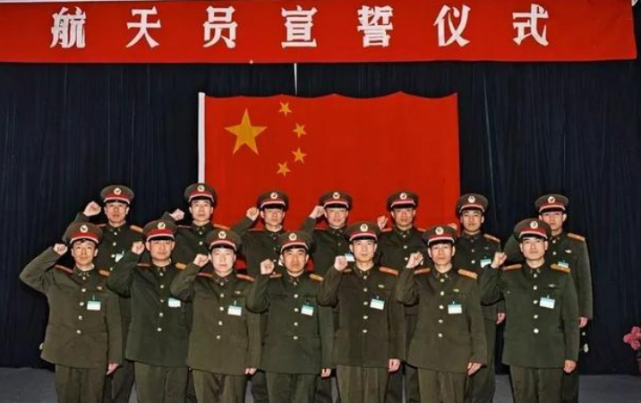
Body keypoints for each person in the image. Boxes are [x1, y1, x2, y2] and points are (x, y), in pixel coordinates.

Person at [503, 194, 593, 403]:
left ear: (564, 217)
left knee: (567, 373)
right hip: (536, 312)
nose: (551, 219)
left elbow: (584, 278)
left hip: (566, 308)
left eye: (556, 214)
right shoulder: (532, 240)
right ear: (540, 217)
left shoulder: (575, 243)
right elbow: (508, 254)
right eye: (546, 215)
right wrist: (524, 228)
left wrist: (584, 311)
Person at [20, 222, 121, 403]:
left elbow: (114, 323)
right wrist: (53, 254)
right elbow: (27, 275)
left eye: (88, 248)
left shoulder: (107, 282)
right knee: (66, 398)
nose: (83, 252)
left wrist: (114, 356)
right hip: (65, 351)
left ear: (96, 252)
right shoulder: (56, 278)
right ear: (72, 252)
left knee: (93, 398)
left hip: (95, 354)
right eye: (78, 248)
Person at [483, 219, 579, 403]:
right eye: (527, 242)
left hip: (551, 352)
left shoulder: (561, 276)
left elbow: (570, 319)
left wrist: (571, 355)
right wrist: (493, 267)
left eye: (537, 241)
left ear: (546, 245)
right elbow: (485, 297)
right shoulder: (510, 275)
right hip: (520, 352)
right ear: (521, 247)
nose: (532, 247)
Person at [396, 225, 486, 403]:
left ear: (453, 251)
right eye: (435, 248)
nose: (441, 252)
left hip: (456, 354)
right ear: (429, 253)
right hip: (426, 353)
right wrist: (409, 267)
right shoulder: (420, 278)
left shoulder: (467, 281)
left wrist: (479, 354)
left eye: (445, 247)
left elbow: (476, 321)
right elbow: (402, 296)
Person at [318, 222, 405, 403]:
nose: (364, 249)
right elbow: (324, 299)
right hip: (347, 352)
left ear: (375, 247)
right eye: (359, 244)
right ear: (351, 248)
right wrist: (335, 270)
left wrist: (396, 352)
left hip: (378, 351)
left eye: (368, 244)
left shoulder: (389, 277)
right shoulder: (341, 275)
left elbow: (396, 319)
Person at [171, 229, 261, 403]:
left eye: (227, 254)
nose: (222, 259)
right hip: (203, 357)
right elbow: (176, 290)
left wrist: (253, 358)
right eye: (217, 254)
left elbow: (253, 324)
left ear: (234, 258)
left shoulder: (247, 286)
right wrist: (194, 266)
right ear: (210, 258)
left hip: (235, 358)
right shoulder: (198, 282)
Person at [107, 219, 191, 403]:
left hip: (177, 349)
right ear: (147, 246)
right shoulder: (136, 274)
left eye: (166, 243)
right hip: (145, 349)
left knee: (176, 399)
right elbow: (114, 283)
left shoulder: (183, 276)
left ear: (173, 246)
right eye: (156, 242)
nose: (162, 247)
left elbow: (192, 314)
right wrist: (132, 255)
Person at [247, 231, 333, 403]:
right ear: (281, 258)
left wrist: (327, 360)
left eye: (300, 254)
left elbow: (326, 325)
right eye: (289, 254)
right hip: (277, 358)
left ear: (307, 258)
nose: (295, 259)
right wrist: (263, 276)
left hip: (308, 358)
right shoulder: (270, 283)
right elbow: (253, 305)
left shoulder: (318, 285)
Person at [74, 185, 141, 403]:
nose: (116, 210)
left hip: (125, 309)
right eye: (111, 206)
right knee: (97, 365)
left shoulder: (137, 237)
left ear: (127, 210)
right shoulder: (94, 233)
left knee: (123, 370)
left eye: (121, 206)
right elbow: (69, 240)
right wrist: (84, 216)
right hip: (96, 308)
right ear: (104, 209)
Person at [300, 191, 352, 403]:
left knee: (347, 354)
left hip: (349, 303)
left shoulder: (356, 238)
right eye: (332, 211)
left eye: (341, 210)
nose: (337, 215)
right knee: (322, 351)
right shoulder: (317, 237)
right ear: (325, 213)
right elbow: (299, 240)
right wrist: (312, 217)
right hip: (322, 302)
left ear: (347, 213)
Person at [451, 194, 503, 403]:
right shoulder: (451, 243)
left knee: (484, 362)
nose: (471, 219)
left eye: (475, 215)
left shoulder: (493, 244)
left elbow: (500, 277)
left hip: (486, 310)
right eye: (466, 215)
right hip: (458, 311)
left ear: (482, 219)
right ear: (460, 219)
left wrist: (501, 306)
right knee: (459, 359)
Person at [377, 191, 425, 403]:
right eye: (399, 210)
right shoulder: (381, 239)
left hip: (417, 309)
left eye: (408, 210)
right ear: (392, 214)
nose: (404, 215)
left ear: (414, 213)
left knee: (416, 363)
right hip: (389, 309)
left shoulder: (425, 239)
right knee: (391, 364)